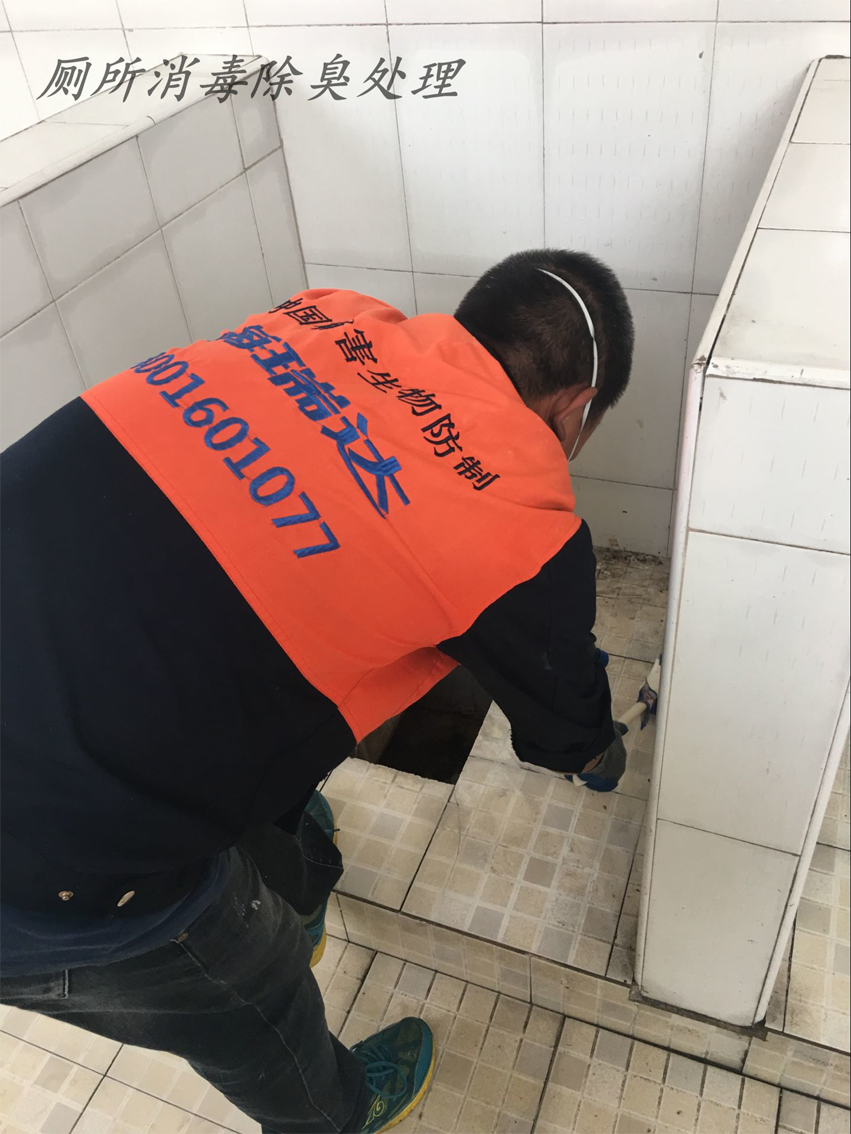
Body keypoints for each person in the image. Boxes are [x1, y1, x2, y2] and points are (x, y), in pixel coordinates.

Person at [0, 248, 634, 1134]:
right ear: (574, 407)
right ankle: (338, 1112)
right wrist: (605, 756)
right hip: (56, 861)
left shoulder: (322, 316)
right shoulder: (522, 524)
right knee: (250, 989)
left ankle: (294, 880)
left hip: (51, 652)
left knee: (272, 793)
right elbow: (567, 732)